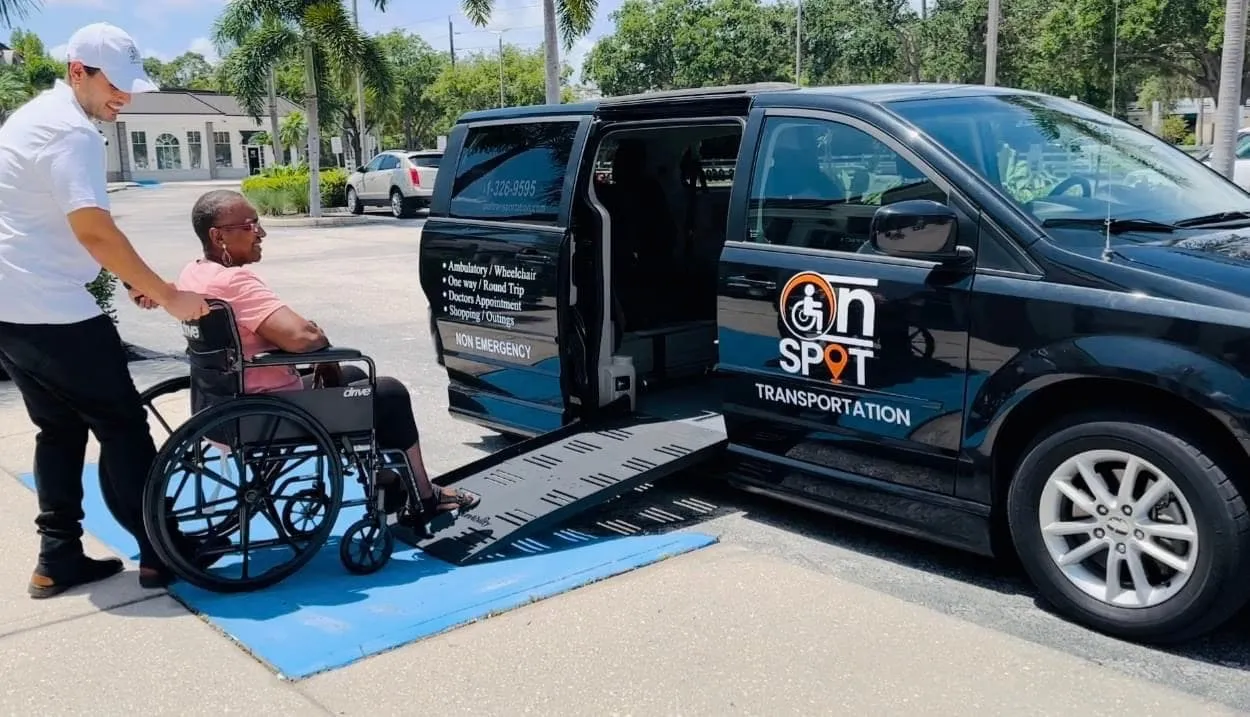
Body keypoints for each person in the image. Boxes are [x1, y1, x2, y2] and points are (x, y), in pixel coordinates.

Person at [0, 22, 215, 598]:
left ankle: (57, 556)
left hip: (13, 308)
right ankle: (160, 553)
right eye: (113, 85)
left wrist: (129, 279)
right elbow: (94, 228)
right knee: (122, 426)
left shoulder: (33, 118)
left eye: (129, 86)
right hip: (52, 310)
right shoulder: (70, 133)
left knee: (59, 428)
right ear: (78, 71)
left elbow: (55, 228)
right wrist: (170, 296)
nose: (122, 97)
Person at [168, 189, 481, 524]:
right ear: (218, 236)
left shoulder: (194, 273)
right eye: (250, 225)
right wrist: (315, 337)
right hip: (266, 409)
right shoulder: (235, 281)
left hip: (220, 406)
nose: (261, 233)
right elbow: (304, 337)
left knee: (356, 380)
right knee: (388, 392)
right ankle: (424, 495)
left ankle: (387, 480)